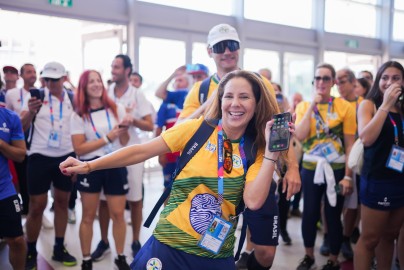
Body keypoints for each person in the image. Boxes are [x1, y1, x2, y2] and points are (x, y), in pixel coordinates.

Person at [60, 70, 295, 270]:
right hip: (167, 248)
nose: (235, 103)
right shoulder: (196, 130)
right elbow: (140, 151)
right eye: (229, 96)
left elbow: (253, 201)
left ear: (256, 104)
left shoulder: (257, 150)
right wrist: (89, 165)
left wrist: (272, 155)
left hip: (215, 256)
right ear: (220, 100)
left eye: (244, 97)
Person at [178, 23, 301, 269]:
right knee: (206, 244)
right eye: (220, 46)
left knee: (266, 252)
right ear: (209, 51)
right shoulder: (201, 90)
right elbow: (181, 130)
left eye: (232, 45)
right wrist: (214, 100)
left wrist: (293, 167)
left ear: (239, 48)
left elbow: (278, 128)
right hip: (213, 179)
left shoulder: (259, 83)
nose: (227, 52)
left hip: (256, 172)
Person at [90, 54, 153, 261]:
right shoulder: (105, 93)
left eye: (117, 67)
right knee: (104, 201)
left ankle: (135, 241)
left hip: (132, 153)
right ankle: (105, 241)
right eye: (112, 66)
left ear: (127, 70)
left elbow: (150, 125)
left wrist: (131, 119)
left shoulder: (137, 94)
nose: (113, 70)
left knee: (135, 200)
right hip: (109, 151)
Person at [294, 63, 356, 270]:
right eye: (317, 78)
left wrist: (348, 176)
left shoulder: (345, 107)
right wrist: (312, 105)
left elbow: (350, 145)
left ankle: (333, 259)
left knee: (333, 214)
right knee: (310, 213)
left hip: (337, 169)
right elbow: (301, 136)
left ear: (333, 82)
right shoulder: (304, 106)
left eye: (326, 78)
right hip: (311, 168)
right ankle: (308, 256)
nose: (321, 82)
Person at [70, 70, 131, 270]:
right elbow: (79, 148)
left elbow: (125, 141)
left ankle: (120, 256)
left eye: (98, 81)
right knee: (88, 215)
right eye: (91, 82)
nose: (96, 84)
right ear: (84, 87)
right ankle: (86, 260)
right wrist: (107, 138)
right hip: (90, 166)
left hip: (115, 163)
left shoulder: (117, 108)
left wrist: (125, 128)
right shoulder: (78, 114)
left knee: (118, 214)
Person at [20, 61, 77, 269]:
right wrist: (31, 111)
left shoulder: (72, 98)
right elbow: (22, 126)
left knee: (62, 202)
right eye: (48, 79)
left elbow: (81, 124)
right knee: (36, 206)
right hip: (39, 156)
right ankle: (31, 251)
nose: (51, 83)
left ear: (64, 78)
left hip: (66, 156)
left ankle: (59, 247)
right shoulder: (37, 97)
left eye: (56, 79)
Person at [354, 60, 404, 270]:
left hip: (399, 179)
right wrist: (385, 104)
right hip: (377, 180)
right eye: (385, 77)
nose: (389, 82)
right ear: (378, 81)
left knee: (390, 236)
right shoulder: (369, 105)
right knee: (370, 238)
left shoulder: (402, 109)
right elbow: (366, 138)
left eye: (395, 78)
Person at [335, 67, 363, 261]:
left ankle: (346, 236)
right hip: (336, 159)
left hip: (358, 159)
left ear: (354, 82)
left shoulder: (364, 104)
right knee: (331, 203)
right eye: (336, 82)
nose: (339, 86)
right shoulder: (334, 104)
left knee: (353, 203)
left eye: (342, 81)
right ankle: (331, 236)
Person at [5, 63, 37, 217]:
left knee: (35, 182)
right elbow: (8, 119)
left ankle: (35, 211)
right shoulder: (11, 94)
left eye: (34, 71)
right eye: (29, 72)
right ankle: (25, 210)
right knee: (21, 179)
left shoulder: (39, 93)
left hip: (36, 143)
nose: (32, 74)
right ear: (22, 75)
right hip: (17, 142)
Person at [0, 107, 27, 270]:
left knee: (17, 240)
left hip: (4, 189)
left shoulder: (10, 117)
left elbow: (20, 154)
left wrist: (1, 144)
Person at [155, 69, 191, 192]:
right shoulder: (166, 104)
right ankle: (167, 212)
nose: (177, 83)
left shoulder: (193, 100)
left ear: (188, 83)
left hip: (187, 152)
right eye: (175, 81)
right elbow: (159, 128)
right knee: (168, 188)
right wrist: (160, 153)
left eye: (180, 80)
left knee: (185, 190)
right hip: (169, 151)